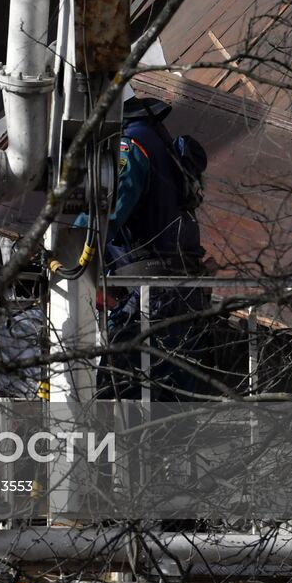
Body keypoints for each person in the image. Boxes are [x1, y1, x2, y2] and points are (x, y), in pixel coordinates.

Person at [97, 95, 208, 400]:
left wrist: (64, 247)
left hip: (149, 301)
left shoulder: (130, 145)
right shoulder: (158, 138)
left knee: (117, 401)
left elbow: (106, 216)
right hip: (182, 293)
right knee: (175, 407)